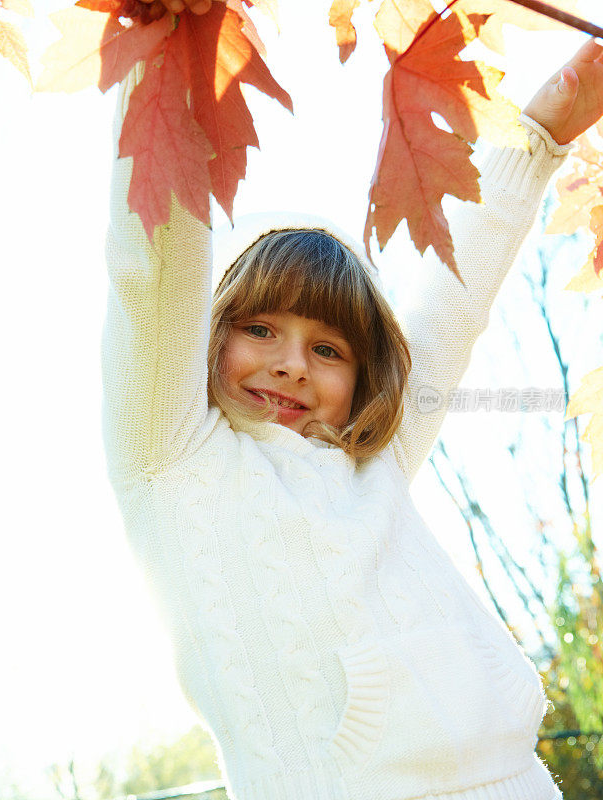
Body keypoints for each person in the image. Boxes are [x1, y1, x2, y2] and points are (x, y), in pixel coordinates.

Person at [101, 2, 603, 797]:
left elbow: (449, 308)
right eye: (260, 329)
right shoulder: (171, 457)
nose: (292, 365)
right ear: (205, 333)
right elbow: (152, 271)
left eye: (328, 349)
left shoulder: (372, 460)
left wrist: (540, 132)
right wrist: (164, 59)